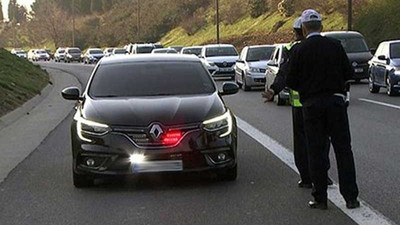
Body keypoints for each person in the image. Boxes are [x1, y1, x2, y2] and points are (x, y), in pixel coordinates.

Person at [286, 9, 359, 210]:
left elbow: (291, 80)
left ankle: (320, 198)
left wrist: (308, 88)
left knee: (316, 152)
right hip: (336, 103)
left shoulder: (299, 50)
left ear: (304, 27)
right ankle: (351, 197)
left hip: (312, 106)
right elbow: (349, 73)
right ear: (322, 26)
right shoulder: (335, 46)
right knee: (344, 150)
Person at [262, 17, 333, 189]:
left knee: (302, 143)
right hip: (322, 102)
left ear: (297, 31)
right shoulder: (327, 45)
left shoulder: (292, 49)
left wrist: (273, 90)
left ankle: (307, 177)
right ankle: (323, 175)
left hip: (301, 105)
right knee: (322, 141)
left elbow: (285, 73)